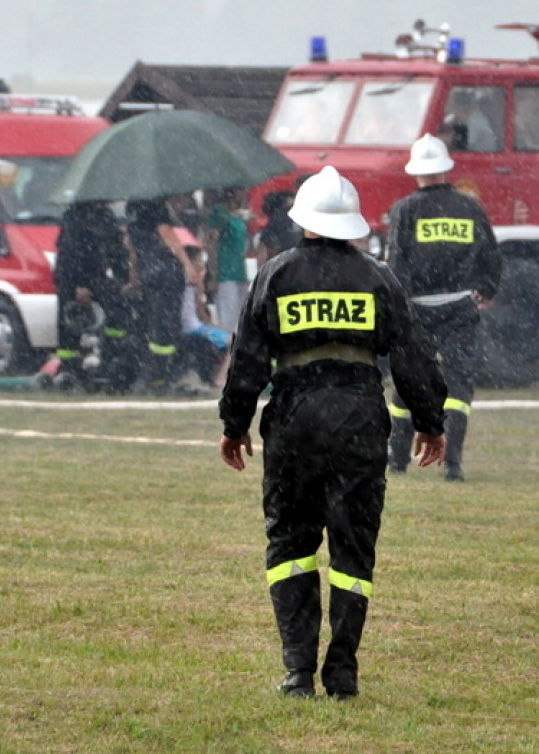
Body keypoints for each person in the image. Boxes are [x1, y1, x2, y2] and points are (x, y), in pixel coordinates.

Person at [218, 165, 447, 700]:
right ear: (353, 224)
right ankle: (341, 673)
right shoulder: (378, 278)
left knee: (292, 544)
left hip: (294, 419)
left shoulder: (275, 274)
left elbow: (248, 359)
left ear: (303, 221)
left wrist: (234, 424)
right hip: (360, 419)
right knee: (353, 550)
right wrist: (431, 422)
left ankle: (298, 671)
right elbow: (412, 358)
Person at [385, 133, 501, 481]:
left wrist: (397, 305)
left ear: (416, 172)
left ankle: (397, 459)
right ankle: (452, 463)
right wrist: (486, 290)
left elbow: (397, 262)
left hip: (416, 310)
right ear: (446, 169)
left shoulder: (405, 210)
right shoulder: (470, 207)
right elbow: (491, 255)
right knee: (458, 387)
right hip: (460, 308)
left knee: (406, 383)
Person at [53, 200, 130, 389]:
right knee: (69, 325)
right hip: (73, 279)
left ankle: (110, 360)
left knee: (117, 310)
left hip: (95, 276)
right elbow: (72, 253)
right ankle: (69, 369)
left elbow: (115, 250)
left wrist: (123, 280)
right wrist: (79, 285)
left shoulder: (104, 216)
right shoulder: (77, 216)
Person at [126, 196, 199, 392]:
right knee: (168, 325)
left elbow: (132, 247)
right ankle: (164, 373)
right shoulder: (156, 206)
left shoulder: (132, 207)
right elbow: (168, 237)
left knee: (155, 323)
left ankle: (152, 374)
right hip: (166, 271)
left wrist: (134, 278)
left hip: (148, 272)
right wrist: (188, 265)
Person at [179, 244, 230, 389]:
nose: (203, 262)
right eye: (201, 259)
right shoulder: (196, 280)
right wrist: (219, 327)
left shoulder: (179, 277)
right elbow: (201, 316)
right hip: (194, 327)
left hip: (183, 325)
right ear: (193, 261)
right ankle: (220, 379)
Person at [205, 186, 250, 332]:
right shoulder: (220, 213)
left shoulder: (239, 215)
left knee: (242, 315)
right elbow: (211, 243)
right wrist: (213, 273)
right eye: (242, 190)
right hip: (224, 270)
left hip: (239, 271)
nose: (245, 193)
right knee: (227, 316)